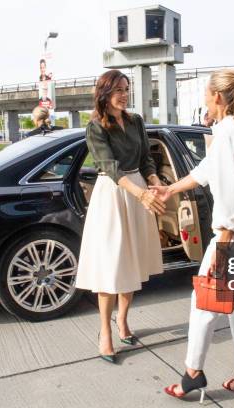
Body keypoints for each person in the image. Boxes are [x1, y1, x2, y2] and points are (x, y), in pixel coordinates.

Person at [155, 69, 234, 401]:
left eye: (207, 94)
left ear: (218, 97)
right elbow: (207, 171)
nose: (205, 99)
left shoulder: (228, 135)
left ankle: (193, 373)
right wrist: (170, 190)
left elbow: (233, 199)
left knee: (205, 303)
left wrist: (221, 246)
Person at [75, 69, 166, 364]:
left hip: (139, 189)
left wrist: (153, 180)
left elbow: (145, 159)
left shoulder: (136, 121)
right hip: (113, 195)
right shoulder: (95, 126)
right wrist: (140, 194)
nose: (124, 94)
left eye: (126, 89)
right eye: (118, 90)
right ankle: (105, 331)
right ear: (104, 93)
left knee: (132, 262)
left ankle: (123, 321)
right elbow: (109, 167)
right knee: (111, 266)